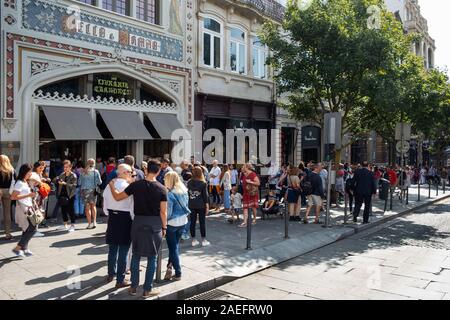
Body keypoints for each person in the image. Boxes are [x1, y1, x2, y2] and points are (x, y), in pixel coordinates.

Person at [108, 159, 167, 298]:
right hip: (154, 224)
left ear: (146, 170)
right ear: (158, 171)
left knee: (136, 255)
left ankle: (133, 287)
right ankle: (147, 289)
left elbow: (117, 197)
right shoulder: (161, 188)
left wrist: (111, 185)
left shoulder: (135, 185)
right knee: (152, 257)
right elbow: (163, 212)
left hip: (138, 222)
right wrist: (164, 227)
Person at [103, 164, 134, 289]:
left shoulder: (109, 186)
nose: (132, 174)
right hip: (125, 218)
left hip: (112, 217)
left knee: (112, 249)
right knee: (123, 250)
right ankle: (120, 279)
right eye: (131, 172)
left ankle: (111, 274)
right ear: (125, 172)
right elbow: (132, 207)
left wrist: (110, 212)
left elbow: (105, 206)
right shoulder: (128, 187)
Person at [163, 171, 190, 281]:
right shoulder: (184, 191)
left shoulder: (170, 194)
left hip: (172, 224)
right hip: (183, 221)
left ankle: (178, 272)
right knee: (175, 246)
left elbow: (168, 213)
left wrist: (163, 222)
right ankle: (169, 266)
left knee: (173, 248)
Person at [11, 164, 37, 257]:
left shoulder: (25, 181)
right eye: (29, 172)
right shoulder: (19, 183)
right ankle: (18, 248)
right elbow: (13, 197)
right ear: (25, 172)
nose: (31, 174)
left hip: (28, 207)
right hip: (24, 208)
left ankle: (24, 248)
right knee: (33, 228)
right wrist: (28, 195)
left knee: (28, 228)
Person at [187, 167, 209, 246]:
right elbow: (205, 196)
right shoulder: (203, 183)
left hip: (191, 204)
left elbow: (188, 194)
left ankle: (193, 240)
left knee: (192, 222)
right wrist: (207, 206)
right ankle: (203, 240)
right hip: (201, 205)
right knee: (202, 222)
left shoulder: (189, 182)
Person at [53, 160, 77, 232]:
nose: (65, 168)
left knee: (71, 210)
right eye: (64, 167)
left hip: (70, 195)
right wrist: (57, 180)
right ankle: (65, 224)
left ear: (70, 167)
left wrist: (65, 183)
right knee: (63, 210)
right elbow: (55, 180)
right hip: (62, 194)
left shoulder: (73, 175)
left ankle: (73, 225)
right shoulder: (62, 174)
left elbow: (74, 185)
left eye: (67, 167)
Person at [80, 158, 102, 229]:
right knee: (93, 206)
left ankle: (89, 223)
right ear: (94, 164)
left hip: (85, 191)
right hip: (93, 191)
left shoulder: (83, 172)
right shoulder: (96, 172)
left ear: (87, 163)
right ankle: (94, 222)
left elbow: (79, 182)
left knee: (87, 208)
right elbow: (100, 182)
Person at [29, 161, 51, 234]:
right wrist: (39, 181)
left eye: (42, 168)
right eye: (40, 168)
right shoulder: (33, 174)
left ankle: (35, 229)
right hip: (35, 195)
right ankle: (34, 231)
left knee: (37, 211)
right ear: (36, 168)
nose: (42, 169)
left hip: (38, 195)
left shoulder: (38, 174)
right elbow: (30, 178)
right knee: (36, 212)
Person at [239, 163, 260, 228]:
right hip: (246, 193)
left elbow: (258, 183)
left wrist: (250, 182)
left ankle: (254, 219)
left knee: (253, 207)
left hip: (252, 193)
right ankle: (245, 222)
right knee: (245, 207)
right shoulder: (244, 174)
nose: (242, 167)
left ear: (247, 167)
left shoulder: (253, 174)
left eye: (244, 166)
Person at [0, 155, 16, 240]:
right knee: (7, 213)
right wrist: (11, 192)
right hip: (8, 191)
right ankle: (7, 234)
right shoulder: (12, 170)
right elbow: (14, 181)